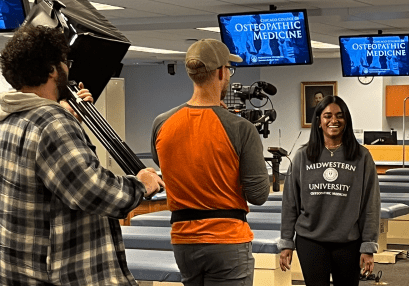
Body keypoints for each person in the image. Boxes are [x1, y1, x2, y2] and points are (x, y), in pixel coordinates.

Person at [0, 25, 165, 285]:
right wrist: (141, 184)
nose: (69, 69)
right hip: (65, 274)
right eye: (66, 62)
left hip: (20, 270)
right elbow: (94, 191)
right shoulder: (52, 123)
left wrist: (67, 117)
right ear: (53, 69)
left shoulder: (9, 117)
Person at [151, 38, 270, 286]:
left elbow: (168, 164)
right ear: (221, 72)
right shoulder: (240, 128)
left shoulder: (162, 123)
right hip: (227, 240)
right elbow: (258, 194)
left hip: (183, 241)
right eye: (229, 69)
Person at [279, 95, 380, 286]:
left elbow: (370, 204)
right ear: (319, 122)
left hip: (348, 241)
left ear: (346, 121)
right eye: (327, 116)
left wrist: (368, 246)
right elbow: (290, 203)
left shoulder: (362, 157)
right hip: (310, 240)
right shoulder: (302, 156)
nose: (334, 120)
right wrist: (286, 242)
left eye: (339, 116)